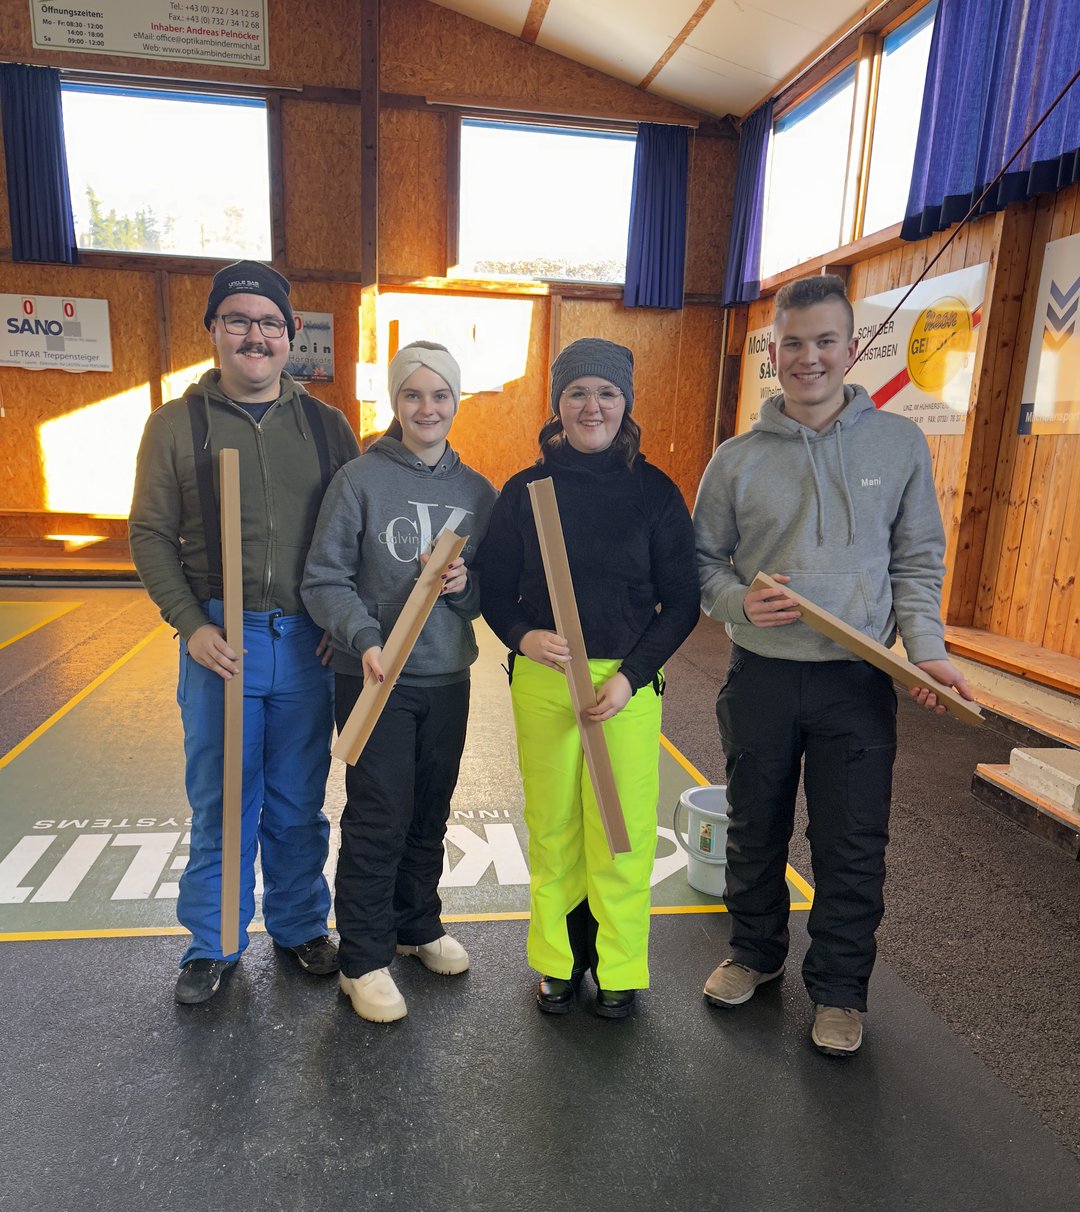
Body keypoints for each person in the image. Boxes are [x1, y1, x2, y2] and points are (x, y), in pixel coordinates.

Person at [693, 274, 974, 1056]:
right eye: (793, 343)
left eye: (825, 342)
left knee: (852, 844)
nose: (809, 358)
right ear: (773, 352)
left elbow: (917, 560)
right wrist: (738, 602)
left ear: (852, 349)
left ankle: (841, 990)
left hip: (857, 679)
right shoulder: (736, 459)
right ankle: (754, 953)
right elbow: (701, 563)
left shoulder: (898, 445)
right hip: (761, 676)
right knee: (755, 828)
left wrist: (926, 651)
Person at [129, 261, 360, 1005]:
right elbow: (150, 534)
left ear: (290, 336)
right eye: (238, 320)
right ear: (214, 331)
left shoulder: (327, 427)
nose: (254, 336)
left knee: (297, 801)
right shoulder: (176, 424)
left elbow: (353, 536)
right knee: (224, 800)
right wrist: (191, 625)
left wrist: (340, 623)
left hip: (306, 645)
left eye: (269, 323)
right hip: (220, 644)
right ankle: (214, 942)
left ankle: (300, 927)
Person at [476, 338, 700, 1020]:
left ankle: (620, 965)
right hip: (546, 680)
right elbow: (493, 590)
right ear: (558, 405)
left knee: (620, 832)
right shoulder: (525, 492)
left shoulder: (655, 493)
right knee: (553, 829)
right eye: (577, 393)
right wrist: (523, 636)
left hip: (624, 690)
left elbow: (682, 602)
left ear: (625, 404)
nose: (591, 406)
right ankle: (559, 962)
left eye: (606, 393)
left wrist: (632, 676)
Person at [301, 342, 496, 1025]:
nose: (427, 408)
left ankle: (416, 924)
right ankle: (363, 958)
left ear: (456, 402)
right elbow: (324, 579)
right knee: (379, 814)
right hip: (375, 677)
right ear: (395, 401)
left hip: (447, 676)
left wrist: (466, 586)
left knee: (430, 810)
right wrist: (364, 637)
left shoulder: (478, 493)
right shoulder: (358, 480)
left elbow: (489, 596)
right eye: (413, 394)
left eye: (440, 395)